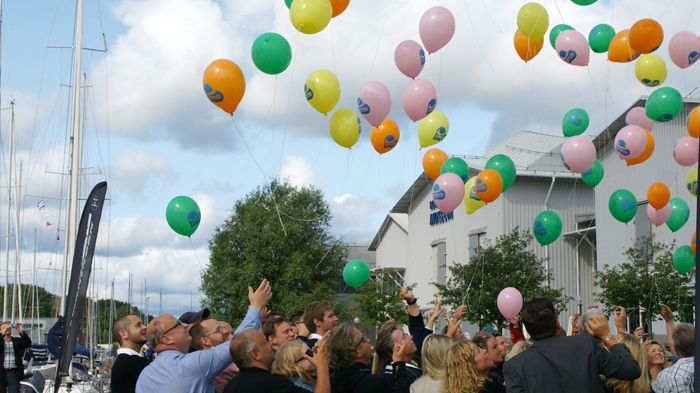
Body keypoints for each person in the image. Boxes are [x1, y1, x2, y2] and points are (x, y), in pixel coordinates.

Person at [136, 279, 271, 393]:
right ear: (166, 339)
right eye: (177, 324)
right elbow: (238, 341)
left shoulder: (144, 376)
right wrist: (255, 306)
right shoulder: (192, 364)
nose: (185, 326)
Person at [503, 298, 641, 393]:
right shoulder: (585, 345)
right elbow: (631, 370)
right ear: (557, 323)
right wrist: (607, 336)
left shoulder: (516, 366)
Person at [223, 330, 329, 393]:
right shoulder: (272, 383)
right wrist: (322, 366)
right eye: (265, 343)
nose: (270, 345)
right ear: (256, 355)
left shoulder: (229, 387)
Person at [327, 323, 410, 393]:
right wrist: (399, 365)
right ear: (357, 352)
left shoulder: (331, 381)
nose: (368, 340)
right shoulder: (371, 383)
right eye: (363, 339)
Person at [110, 315, 151, 393]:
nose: (144, 327)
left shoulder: (124, 362)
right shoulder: (132, 363)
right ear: (123, 334)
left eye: (143, 324)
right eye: (138, 325)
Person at [655, 323, 694, 393]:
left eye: (660, 350)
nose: (658, 353)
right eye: (653, 351)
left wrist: (669, 321)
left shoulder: (665, 375)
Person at [0, 322, 30, 393]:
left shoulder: (16, 341)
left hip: (13, 372)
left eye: (8, 328)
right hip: (1, 372)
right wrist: (2, 334)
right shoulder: (1, 342)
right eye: (4, 328)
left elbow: (28, 343)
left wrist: (21, 332)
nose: (7, 329)